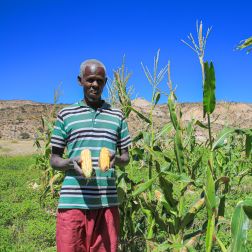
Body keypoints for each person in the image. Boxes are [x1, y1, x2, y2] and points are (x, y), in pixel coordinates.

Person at [50, 59, 131, 252]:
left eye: (100, 81)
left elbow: (126, 158)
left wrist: (116, 159)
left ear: (105, 82)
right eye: (90, 80)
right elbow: (54, 159)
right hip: (73, 203)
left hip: (107, 202)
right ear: (81, 81)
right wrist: (70, 162)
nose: (95, 84)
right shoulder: (66, 115)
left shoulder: (117, 116)